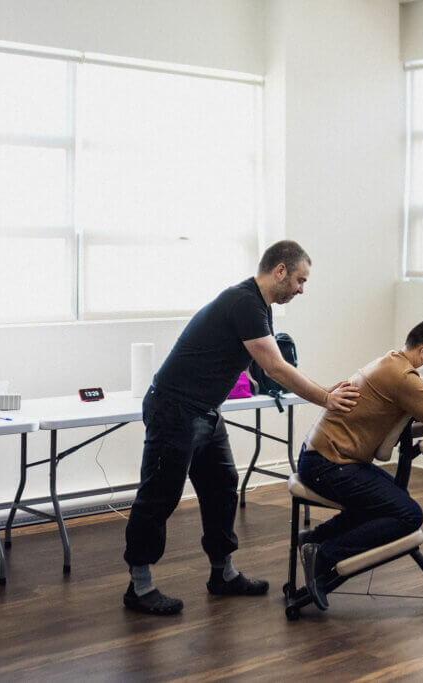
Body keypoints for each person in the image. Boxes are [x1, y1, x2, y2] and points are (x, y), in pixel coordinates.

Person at [123, 240, 360, 616]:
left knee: (222, 486)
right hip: (174, 409)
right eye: (300, 280)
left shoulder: (259, 306)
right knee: (159, 496)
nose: (302, 289)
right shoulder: (244, 302)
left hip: (205, 411)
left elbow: (263, 362)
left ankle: (223, 574)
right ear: (280, 271)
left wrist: (318, 389)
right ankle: (139, 587)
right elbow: (275, 367)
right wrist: (324, 398)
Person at [297, 316, 423, 610]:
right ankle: (323, 555)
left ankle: (316, 539)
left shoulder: (392, 363)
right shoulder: (403, 377)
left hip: (324, 459)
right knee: (408, 514)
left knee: (393, 500)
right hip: (328, 466)